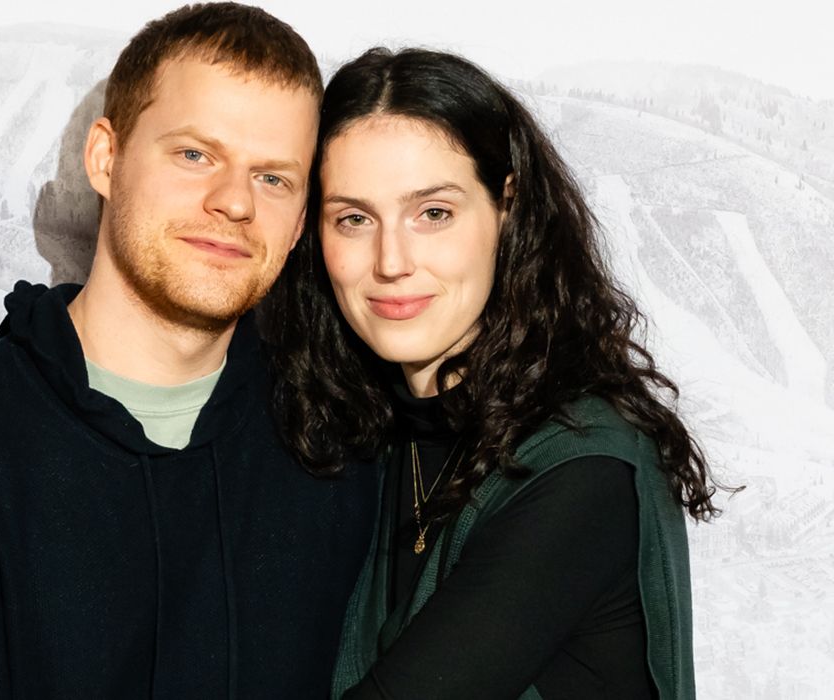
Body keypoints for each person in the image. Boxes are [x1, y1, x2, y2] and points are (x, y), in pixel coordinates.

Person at [0, 4, 378, 697]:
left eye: (273, 177)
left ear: (302, 218)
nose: (235, 202)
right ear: (105, 157)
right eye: (194, 154)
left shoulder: (336, 452)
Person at [261, 48, 722, 699]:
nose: (392, 260)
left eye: (434, 213)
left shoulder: (582, 467)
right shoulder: (361, 432)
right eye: (355, 218)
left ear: (507, 209)